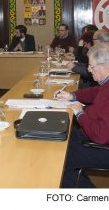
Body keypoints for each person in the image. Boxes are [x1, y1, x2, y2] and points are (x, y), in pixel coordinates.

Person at [55, 42, 109, 187]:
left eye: (91, 66)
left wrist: (80, 113)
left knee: (61, 159)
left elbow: (100, 135)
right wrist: (72, 95)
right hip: (92, 133)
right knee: (59, 141)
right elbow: (95, 92)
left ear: (104, 66)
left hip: (102, 146)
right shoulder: (105, 84)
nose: (89, 70)